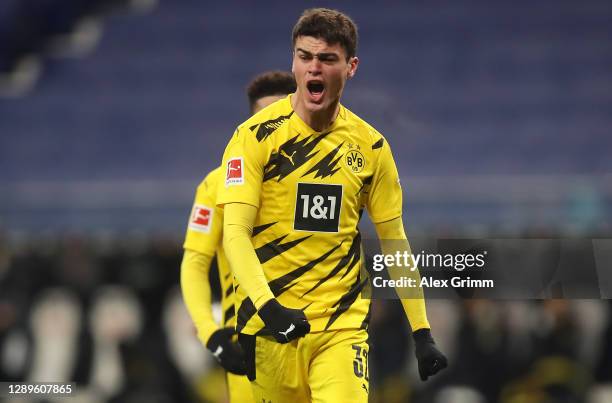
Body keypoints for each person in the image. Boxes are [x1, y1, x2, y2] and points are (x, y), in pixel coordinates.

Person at [218, 8, 448, 401]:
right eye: (305, 57)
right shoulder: (253, 137)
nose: (314, 69)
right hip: (269, 326)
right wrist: (268, 307)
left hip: (341, 328)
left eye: (327, 59)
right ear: (293, 61)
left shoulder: (370, 147)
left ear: (351, 66)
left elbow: (394, 241)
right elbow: (235, 232)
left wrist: (421, 331)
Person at [180, 71, 297, 403]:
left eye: (282, 118)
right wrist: (210, 332)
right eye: (264, 120)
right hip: (250, 344)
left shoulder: (326, 179)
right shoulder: (217, 185)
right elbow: (195, 262)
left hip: (320, 340)